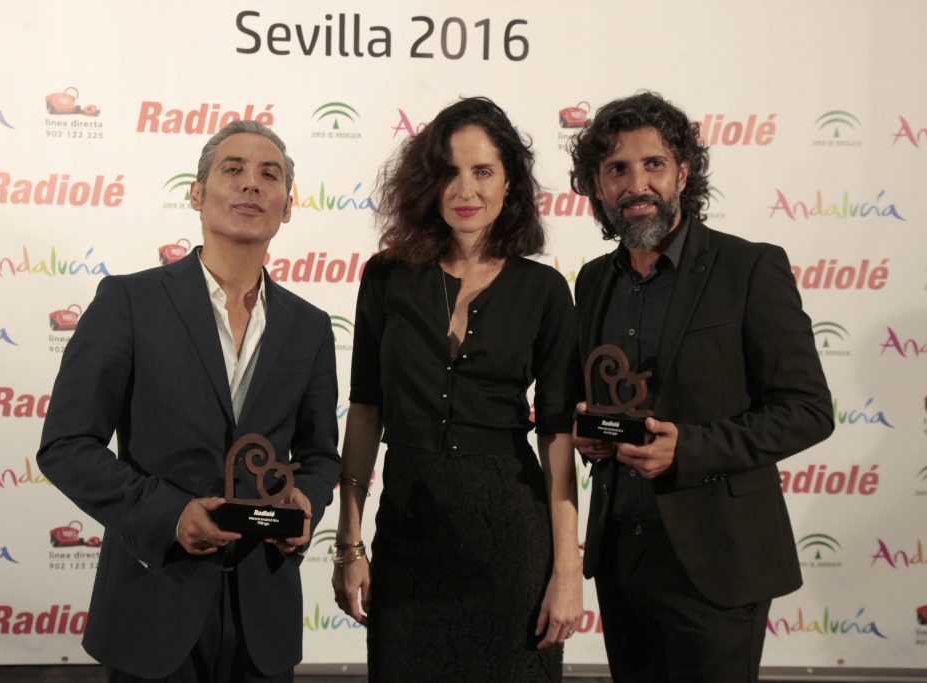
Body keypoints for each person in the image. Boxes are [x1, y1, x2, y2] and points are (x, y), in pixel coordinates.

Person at [38, 120, 340, 682]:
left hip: (264, 614)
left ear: (288, 205)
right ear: (197, 193)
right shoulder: (128, 301)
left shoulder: (310, 325)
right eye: (233, 169)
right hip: (154, 600)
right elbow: (66, 445)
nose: (251, 184)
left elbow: (320, 455)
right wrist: (169, 516)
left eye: (269, 174)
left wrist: (306, 501)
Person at [568, 91, 834, 682]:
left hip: (719, 562)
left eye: (653, 164)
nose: (636, 184)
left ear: (683, 173)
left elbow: (808, 410)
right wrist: (589, 436)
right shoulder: (592, 281)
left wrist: (686, 449)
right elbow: (590, 398)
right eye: (617, 169)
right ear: (598, 186)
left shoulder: (749, 268)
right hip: (621, 557)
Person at [330, 96, 583, 681]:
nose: (465, 190)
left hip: (512, 542)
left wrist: (566, 567)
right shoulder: (386, 276)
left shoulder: (544, 291)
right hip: (409, 536)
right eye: (449, 172)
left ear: (509, 183)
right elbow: (365, 409)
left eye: (483, 171)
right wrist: (349, 542)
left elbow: (557, 434)